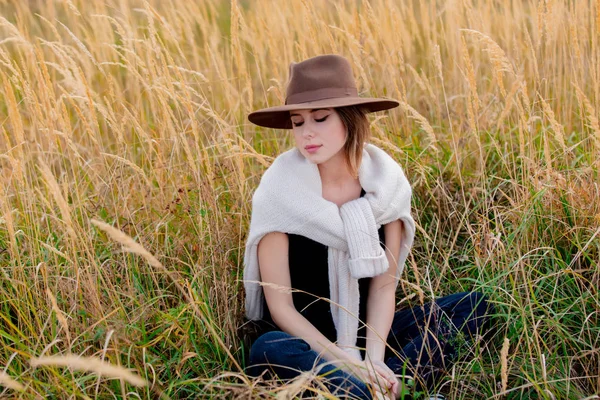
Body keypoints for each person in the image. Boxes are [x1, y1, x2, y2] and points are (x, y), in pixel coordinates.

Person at [242, 54, 494, 399]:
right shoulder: (278, 193)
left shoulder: (384, 186)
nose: (307, 132)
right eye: (298, 122)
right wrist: (348, 363)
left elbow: (382, 289)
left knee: (475, 306)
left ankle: (389, 384)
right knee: (268, 349)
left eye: (320, 118)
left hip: (371, 338)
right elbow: (281, 308)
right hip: (309, 347)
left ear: (350, 119)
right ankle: (375, 390)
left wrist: (373, 358)